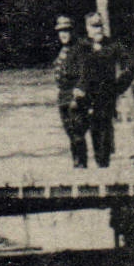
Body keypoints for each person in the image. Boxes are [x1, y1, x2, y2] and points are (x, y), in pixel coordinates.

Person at [73, 11, 134, 169]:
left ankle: (103, 169)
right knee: (77, 135)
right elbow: (69, 70)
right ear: (87, 28)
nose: (98, 29)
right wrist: (74, 89)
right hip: (83, 99)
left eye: (100, 25)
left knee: (102, 136)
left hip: (105, 97)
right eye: (94, 26)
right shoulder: (80, 47)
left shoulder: (113, 45)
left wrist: (118, 87)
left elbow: (130, 63)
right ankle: (81, 171)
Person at [52, 15, 90, 167]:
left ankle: (81, 164)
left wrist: (78, 94)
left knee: (77, 133)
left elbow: (85, 73)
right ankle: (77, 163)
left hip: (75, 98)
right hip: (63, 97)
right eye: (60, 31)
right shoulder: (64, 49)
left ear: (73, 31)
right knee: (70, 133)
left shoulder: (79, 49)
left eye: (66, 31)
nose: (63, 34)